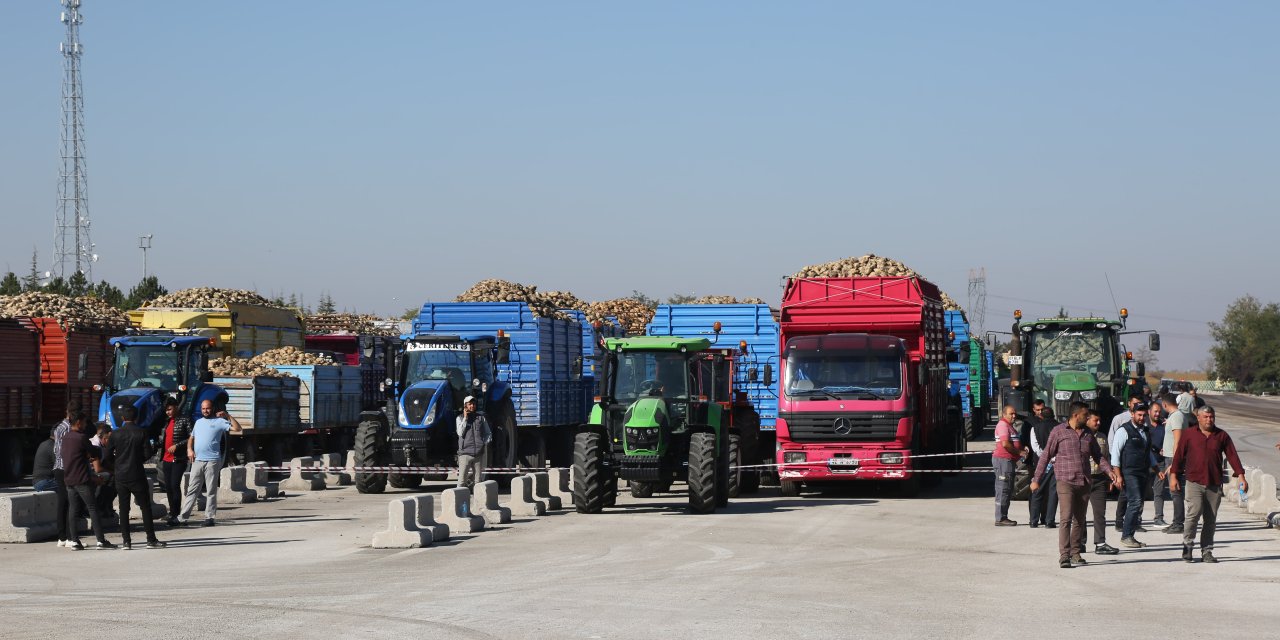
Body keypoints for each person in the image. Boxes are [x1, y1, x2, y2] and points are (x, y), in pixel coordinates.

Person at [1031, 401, 1119, 568]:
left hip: (1084, 481)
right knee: (1066, 518)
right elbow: (1045, 456)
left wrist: (1109, 472)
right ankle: (1064, 555)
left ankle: (1076, 553)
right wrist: (1036, 479)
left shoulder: (1088, 434)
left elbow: (1098, 456)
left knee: (1080, 519)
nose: (1087, 418)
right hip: (1065, 481)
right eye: (1085, 415)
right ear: (1075, 415)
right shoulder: (1058, 432)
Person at [1170, 406, 1247, 563]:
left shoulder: (1221, 435)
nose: (1209, 420)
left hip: (1214, 483)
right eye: (1205, 417)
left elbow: (1232, 455)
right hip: (1194, 481)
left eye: (1211, 417)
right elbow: (1178, 456)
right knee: (1193, 513)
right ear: (1198, 417)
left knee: (1210, 519)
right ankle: (1188, 545)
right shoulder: (1189, 434)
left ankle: (1207, 551)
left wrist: (1241, 476)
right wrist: (1173, 476)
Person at [103, 405, 165, 550]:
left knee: (124, 509)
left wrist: (116, 464)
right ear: (136, 417)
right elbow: (148, 453)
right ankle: (151, 539)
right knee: (145, 507)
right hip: (137, 473)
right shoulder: (141, 432)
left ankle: (126, 541)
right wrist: (137, 460)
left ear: (123, 418)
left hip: (121, 475)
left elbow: (106, 456)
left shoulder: (116, 434)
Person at [177, 400, 243, 527]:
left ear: (212, 408)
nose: (205, 411)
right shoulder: (198, 422)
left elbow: (237, 428)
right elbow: (192, 438)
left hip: (212, 460)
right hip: (197, 460)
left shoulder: (220, 422)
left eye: (207, 408)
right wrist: (189, 449)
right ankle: (183, 517)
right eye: (203, 408)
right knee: (192, 490)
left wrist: (228, 415)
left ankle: (209, 517)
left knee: (211, 490)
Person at [60, 410, 114, 550]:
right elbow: (94, 451)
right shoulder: (81, 437)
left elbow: (68, 455)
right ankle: (101, 540)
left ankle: (75, 541)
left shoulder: (65, 437)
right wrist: (91, 454)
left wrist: (84, 456)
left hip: (69, 478)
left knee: (73, 509)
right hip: (82, 478)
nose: (85, 425)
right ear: (78, 422)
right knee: (92, 508)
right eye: (84, 422)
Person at [1110, 401, 1155, 548]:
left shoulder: (1146, 431)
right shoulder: (1124, 431)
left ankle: (1130, 534)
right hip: (1129, 472)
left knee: (1138, 503)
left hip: (1142, 472)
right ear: (1132, 414)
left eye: (1144, 415)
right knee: (1135, 502)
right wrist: (1118, 475)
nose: (1142, 418)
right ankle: (1127, 535)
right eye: (1139, 415)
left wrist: (1157, 469)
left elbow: (1148, 453)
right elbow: (1115, 455)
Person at [1081, 410, 1118, 555]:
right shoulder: (1081, 436)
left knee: (1100, 513)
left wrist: (1109, 478)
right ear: (1087, 420)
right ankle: (1080, 542)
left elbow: (1106, 458)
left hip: (1099, 480)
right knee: (1080, 513)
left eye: (1099, 420)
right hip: (1083, 479)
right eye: (1095, 420)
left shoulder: (1102, 437)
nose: (1098, 423)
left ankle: (1100, 543)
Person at [1108, 395, 1146, 532]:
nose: (1141, 417)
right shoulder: (1120, 422)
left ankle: (1134, 523)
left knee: (1134, 497)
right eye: (1135, 403)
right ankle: (1122, 525)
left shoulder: (1143, 426)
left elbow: (1146, 447)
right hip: (1126, 467)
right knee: (1129, 498)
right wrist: (1117, 470)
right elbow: (1113, 443)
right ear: (1130, 407)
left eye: (1143, 414)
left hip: (1140, 468)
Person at [50, 402, 79, 547]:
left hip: (58, 467)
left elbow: (57, 450)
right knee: (69, 502)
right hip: (66, 467)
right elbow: (67, 450)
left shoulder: (59, 427)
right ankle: (68, 537)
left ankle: (62, 537)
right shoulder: (69, 428)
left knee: (63, 502)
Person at [1026, 401, 1059, 528]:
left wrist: (1045, 458)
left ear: (1042, 416)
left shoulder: (1035, 428)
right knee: (1053, 493)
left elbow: (1035, 447)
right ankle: (1049, 521)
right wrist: (1054, 458)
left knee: (1037, 490)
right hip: (1056, 463)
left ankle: (1033, 521)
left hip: (1042, 463)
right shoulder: (1060, 427)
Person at [159, 397, 191, 526]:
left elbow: (191, 437)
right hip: (166, 458)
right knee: (168, 487)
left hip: (178, 458)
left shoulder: (185, 420)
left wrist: (177, 446)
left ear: (176, 407)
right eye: (166, 410)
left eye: (170, 409)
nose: (168, 412)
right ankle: (171, 512)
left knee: (174, 485)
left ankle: (176, 514)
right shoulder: (166, 422)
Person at [991, 405, 1022, 526]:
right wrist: (1019, 452)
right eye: (1011, 414)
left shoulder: (1009, 426)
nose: (1014, 416)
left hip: (1008, 461)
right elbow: (1005, 444)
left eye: (1014, 413)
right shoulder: (1003, 425)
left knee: (1007, 489)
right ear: (1004, 414)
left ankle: (1003, 516)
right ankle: (1000, 518)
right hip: (1003, 461)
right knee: (1003, 489)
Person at [456, 396, 492, 490]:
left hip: (478, 455)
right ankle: (461, 503)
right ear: (465, 406)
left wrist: (483, 443)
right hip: (465, 454)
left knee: (478, 482)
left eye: (473, 404)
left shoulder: (480, 418)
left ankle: (478, 503)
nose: (472, 406)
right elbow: (460, 432)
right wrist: (465, 418)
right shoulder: (459, 418)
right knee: (462, 481)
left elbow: (488, 433)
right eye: (469, 404)